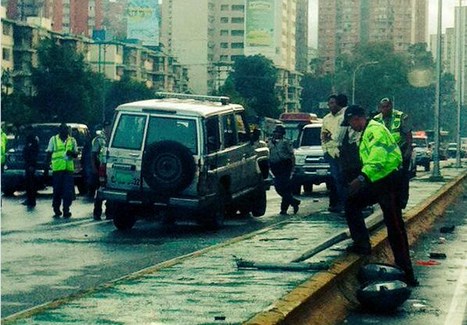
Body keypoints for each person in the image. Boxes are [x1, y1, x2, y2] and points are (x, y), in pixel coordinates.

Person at [341, 105, 418, 287]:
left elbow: (378, 159)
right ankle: (362, 244)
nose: (351, 127)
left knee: (395, 227)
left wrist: (361, 178)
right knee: (351, 203)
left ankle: (407, 273)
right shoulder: (367, 131)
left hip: (389, 181)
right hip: (378, 181)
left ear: (359, 118)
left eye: (351, 122)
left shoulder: (374, 131)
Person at [373, 98, 413, 209]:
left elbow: (408, 134)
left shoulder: (401, 117)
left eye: (387, 106)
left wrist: (409, 149)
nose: (385, 109)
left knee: (402, 178)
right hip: (384, 155)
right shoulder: (376, 119)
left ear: (391, 106)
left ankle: (402, 200)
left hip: (401, 152)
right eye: (383, 107)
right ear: (379, 108)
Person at [45, 123, 78, 218]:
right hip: (57, 170)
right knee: (57, 191)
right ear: (59, 131)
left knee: (68, 192)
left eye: (66, 129)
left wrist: (72, 153)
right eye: (63, 129)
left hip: (68, 170)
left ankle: (66, 209)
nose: (65, 131)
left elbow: (76, 154)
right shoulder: (53, 140)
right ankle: (56, 208)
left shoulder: (72, 140)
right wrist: (46, 169)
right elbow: (49, 154)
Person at [321, 94, 346, 213]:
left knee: (344, 179)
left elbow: (339, 136)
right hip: (331, 154)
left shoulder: (344, 116)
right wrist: (325, 151)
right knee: (336, 180)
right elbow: (323, 136)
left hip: (343, 153)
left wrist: (331, 136)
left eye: (333, 103)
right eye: (329, 103)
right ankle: (339, 203)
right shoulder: (326, 119)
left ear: (338, 103)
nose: (331, 106)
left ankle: (346, 203)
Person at [268, 125, 300, 215]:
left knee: (284, 187)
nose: (276, 134)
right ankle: (294, 202)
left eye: (278, 132)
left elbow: (291, 155)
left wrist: (293, 168)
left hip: (285, 165)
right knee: (278, 187)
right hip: (275, 166)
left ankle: (284, 209)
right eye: (275, 132)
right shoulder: (270, 142)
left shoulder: (286, 142)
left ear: (282, 134)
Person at [91, 121, 111, 220]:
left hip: (110, 168)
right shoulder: (99, 140)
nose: (109, 129)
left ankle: (109, 212)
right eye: (107, 127)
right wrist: (95, 168)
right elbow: (93, 155)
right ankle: (97, 212)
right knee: (99, 191)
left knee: (110, 190)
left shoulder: (113, 137)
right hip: (101, 168)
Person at [22, 126, 39, 208]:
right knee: (28, 183)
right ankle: (29, 199)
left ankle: (32, 200)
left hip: (31, 164)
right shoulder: (28, 139)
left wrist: (32, 165)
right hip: (27, 163)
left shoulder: (33, 139)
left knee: (31, 183)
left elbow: (34, 153)